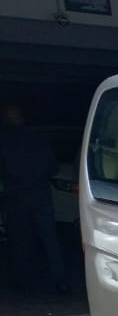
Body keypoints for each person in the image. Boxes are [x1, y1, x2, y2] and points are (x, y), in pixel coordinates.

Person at [0, 102, 68, 294]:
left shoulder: (4, 140)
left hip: (15, 197)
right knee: (50, 239)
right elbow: (53, 168)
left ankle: (23, 282)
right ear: (22, 118)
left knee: (20, 241)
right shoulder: (39, 139)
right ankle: (60, 280)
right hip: (40, 195)